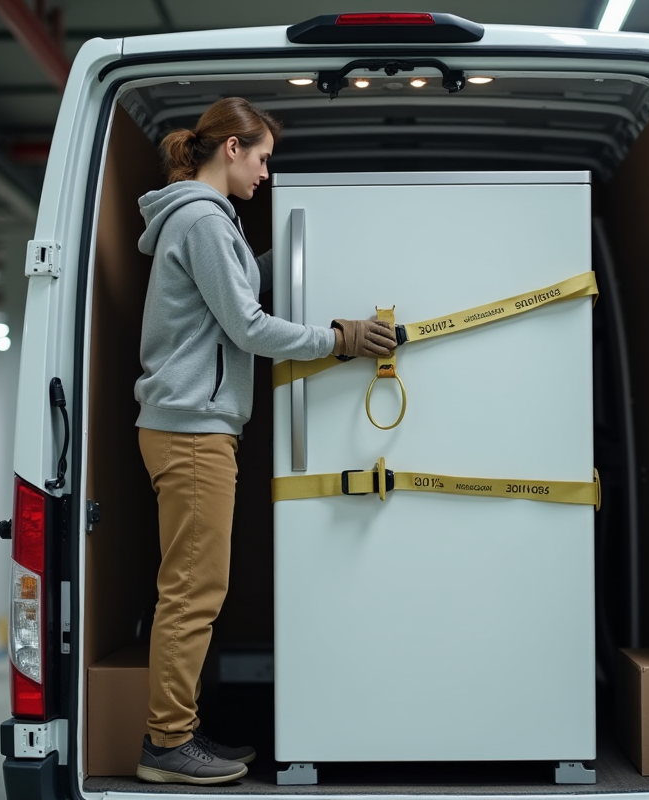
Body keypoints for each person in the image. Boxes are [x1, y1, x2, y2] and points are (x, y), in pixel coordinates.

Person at [133, 97, 397, 785]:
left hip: (192, 427)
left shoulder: (203, 223)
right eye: (263, 158)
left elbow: (241, 289)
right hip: (192, 432)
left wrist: (317, 236)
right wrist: (338, 341)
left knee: (195, 586)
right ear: (231, 149)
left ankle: (177, 732)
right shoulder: (201, 220)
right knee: (193, 591)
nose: (267, 174)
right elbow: (248, 328)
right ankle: (166, 743)